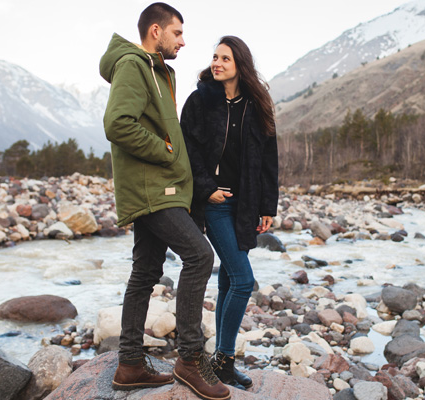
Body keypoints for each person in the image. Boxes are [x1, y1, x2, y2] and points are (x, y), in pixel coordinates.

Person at [99, 3, 230, 400]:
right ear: (156, 31)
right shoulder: (133, 65)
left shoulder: (156, 71)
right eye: (177, 33)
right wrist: (167, 150)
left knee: (145, 273)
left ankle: (129, 365)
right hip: (153, 190)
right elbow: (117, 123)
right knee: (200, 257)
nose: (183, 41)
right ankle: (190, 361)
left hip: (158, 188)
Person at [181, 36, 279, 390]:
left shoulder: (256, 104)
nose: (217, 62)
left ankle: (221, 362)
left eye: (225, 57)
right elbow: (187, 148)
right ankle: (223, 359)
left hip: (246, 203)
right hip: (215, 203)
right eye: (215, 56)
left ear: (240, 64)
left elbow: (269, 158)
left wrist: (268, 206)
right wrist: (207, 188)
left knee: (227, 280)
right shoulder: (200, 100)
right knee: (241, 279)